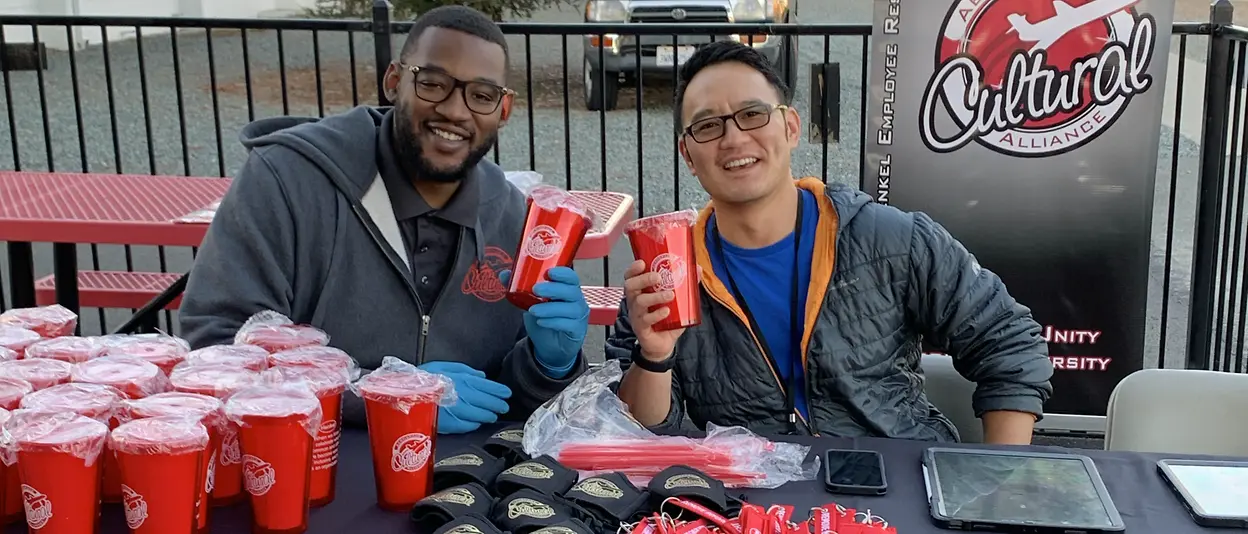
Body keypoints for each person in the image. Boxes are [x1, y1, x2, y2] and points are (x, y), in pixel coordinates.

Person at [607, 41, 1053, 444]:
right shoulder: (666, 272)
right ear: (688, 154)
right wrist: (654, 355)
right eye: (708, 127)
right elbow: (637, 430)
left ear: (791, 127)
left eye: (752, 114)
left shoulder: (890, 238)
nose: (734, 138)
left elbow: (1008, 342)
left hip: (896, 477)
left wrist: (1002, 479)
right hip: (755, 499)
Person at [180, 5, 590, 433]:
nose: (455, 110)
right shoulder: (288, 180)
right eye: (433, 83)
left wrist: (548, 365)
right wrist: (381, 397)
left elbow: (512, 405)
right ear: (395, 82)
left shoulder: (513, 218)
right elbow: (214, 348)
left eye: (482, 95)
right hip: (312, 470)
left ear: (503, 111)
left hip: (460, 486)